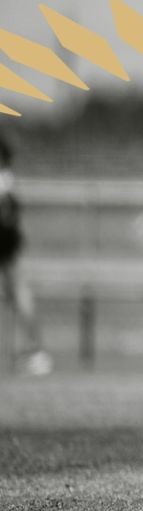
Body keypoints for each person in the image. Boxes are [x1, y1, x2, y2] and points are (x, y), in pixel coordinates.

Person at [0, 133, 50, 377]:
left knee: (19, 293)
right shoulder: (7, 179)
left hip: (6, 242)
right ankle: (36, 352)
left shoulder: (4, 181)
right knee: (18, 293)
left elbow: (9, 215)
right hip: (8, 241)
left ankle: (36, 352)